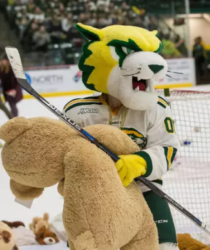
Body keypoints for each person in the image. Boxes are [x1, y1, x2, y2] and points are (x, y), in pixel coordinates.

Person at [64, 24, 180, 250]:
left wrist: (141, 162)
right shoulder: (77, 111)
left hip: (145, 189)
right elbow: (60, 154)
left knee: (164, 246)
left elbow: (167, 148)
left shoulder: (156, 107)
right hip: (92, 197)